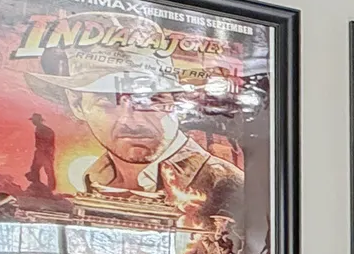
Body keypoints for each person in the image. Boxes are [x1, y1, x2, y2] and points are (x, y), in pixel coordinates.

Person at [60, 58, 243, 226]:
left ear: (179, 105)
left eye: (152, 99)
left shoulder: (227, 185)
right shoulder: (91, 180)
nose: (130, 121)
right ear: (77, 105)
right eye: (106, 101)